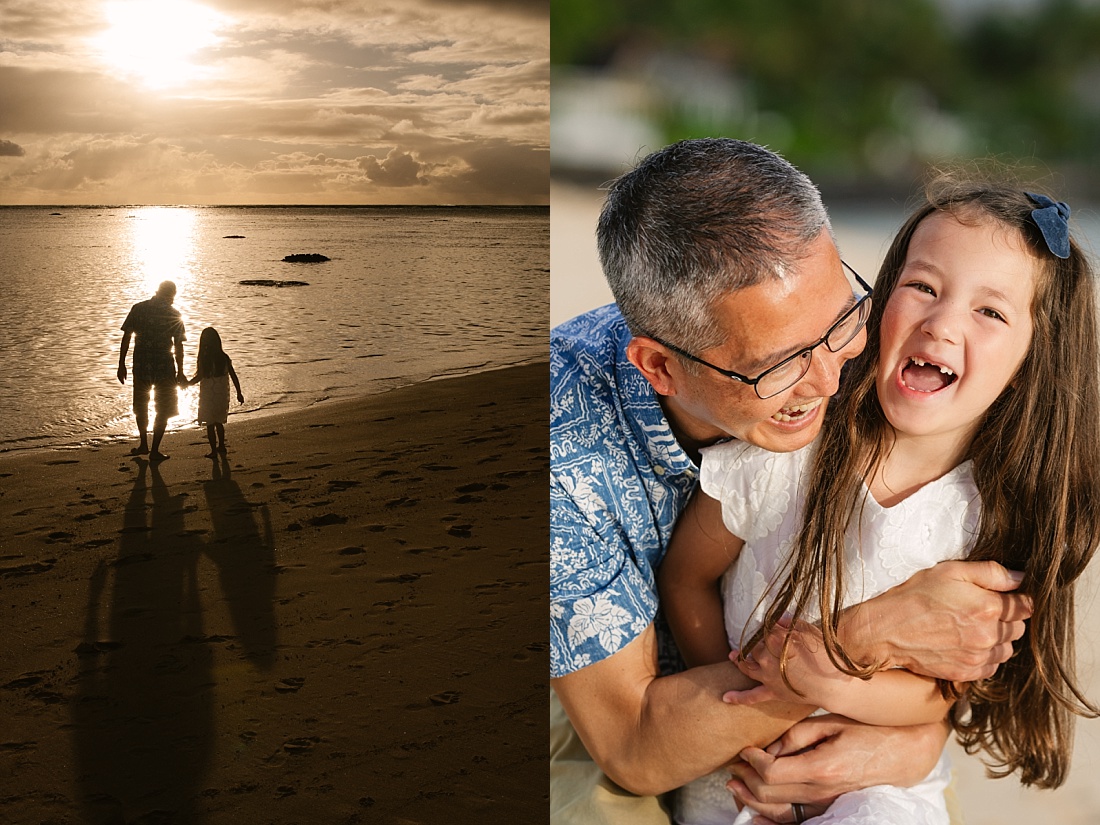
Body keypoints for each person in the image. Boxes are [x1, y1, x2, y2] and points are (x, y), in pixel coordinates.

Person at [550, 139, 1033, 825]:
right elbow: (633, 744)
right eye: (778, 367)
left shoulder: (869, 345)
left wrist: (915, 742)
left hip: (816, 700)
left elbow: (943, 639)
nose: (833, 382)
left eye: (841, 321)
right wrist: (858, 640)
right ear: (659, 367)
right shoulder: (559, 456)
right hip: (597, 696)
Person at [660, 177, 1100, 824]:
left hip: (879, 784)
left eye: (991, 311)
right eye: (923, 286)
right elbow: (686, 577)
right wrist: (749, 726)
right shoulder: (792, 449)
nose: (943, 323)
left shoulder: (987, 515)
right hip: (741, 770)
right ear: (880, 297)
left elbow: (938, 693)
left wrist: (826, 681)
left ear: (1033, 361)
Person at [117, 280, 187, 461]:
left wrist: (121, 363)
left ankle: (143, 444)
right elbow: (178, 346)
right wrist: (180, 371)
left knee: (141, 406)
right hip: (164, 367)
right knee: (162, 409)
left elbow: (126, 337)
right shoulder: (173, 314)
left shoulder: (139, 308)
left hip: (141, 365)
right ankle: (154, 450)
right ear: (171, 295)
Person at [188, 326, 244, 458]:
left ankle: (213, 450)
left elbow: (199, 377)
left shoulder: (205, 359)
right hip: (222, 396)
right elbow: (233, 376)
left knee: (209, 424)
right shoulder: (224, 357)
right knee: (219, 422)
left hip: (208, 397)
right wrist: (239, 392)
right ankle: (222, 446)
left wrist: (186, 384)